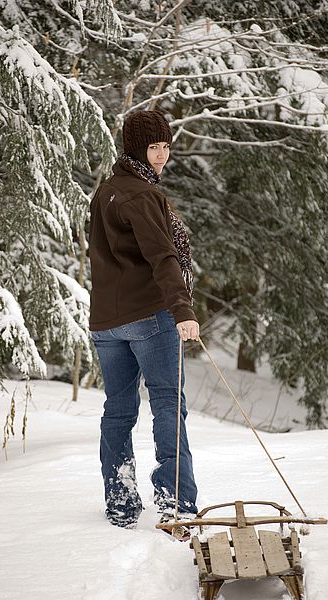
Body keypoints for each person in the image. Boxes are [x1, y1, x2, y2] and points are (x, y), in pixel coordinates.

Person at [88, 109, 200, 535]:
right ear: (135, 148)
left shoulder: (106, 192)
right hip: (150, 318)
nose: (161, 156)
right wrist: (183, 309)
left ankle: (120, 502)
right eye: (154, 147)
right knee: (169, 403)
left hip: (106, 322)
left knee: (118, 410)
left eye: (167, 146)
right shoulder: (143, 195)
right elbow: (163, 256)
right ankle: (176, 502)